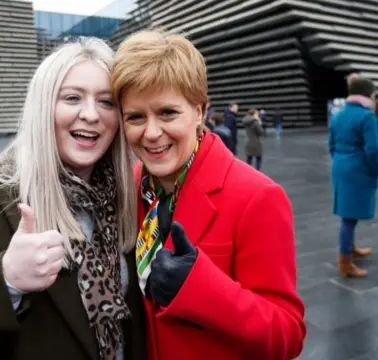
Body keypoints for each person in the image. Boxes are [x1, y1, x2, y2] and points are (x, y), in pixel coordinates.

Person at [0, 38, 146, 360]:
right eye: (72, 98)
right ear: (43, 107)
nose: (91, 114)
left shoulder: (128, 195)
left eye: (106, 102)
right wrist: (5, 280)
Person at [111, 30, 305, 360]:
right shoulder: (131, 186)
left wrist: (202, 290)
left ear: (199, 111)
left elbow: (287, 334)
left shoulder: (258, 197)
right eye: (136, 117)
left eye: (168, 113)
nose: (152, 132)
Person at [328, 75, 378, 277]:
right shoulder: (367, 117)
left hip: (341, 166)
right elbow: (373, 150)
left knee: (348, 211)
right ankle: (345, 263)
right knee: (349, 218)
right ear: (367, 95)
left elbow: (332, 145)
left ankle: (350, 247)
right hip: (358, 168)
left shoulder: (338, 115)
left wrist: (342, 161)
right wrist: (375, 170)